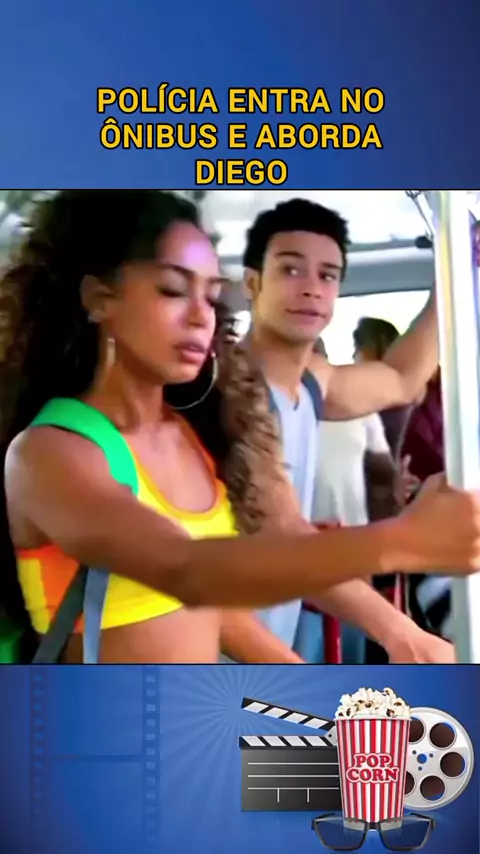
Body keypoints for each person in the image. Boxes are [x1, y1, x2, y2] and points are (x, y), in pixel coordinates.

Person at [1, 191, 479, 666]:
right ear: (98, 298)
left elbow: (206, 606)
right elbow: (188, 571)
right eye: (172, 290)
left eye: (211, 297)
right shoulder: (49, 452)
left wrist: (314, 686)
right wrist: (402, 541)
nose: (200, 316)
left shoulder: (199, 429)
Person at [240, 198, 468, 664]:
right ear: (252, 282)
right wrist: (402, 631)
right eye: (290, 270)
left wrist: (454, 277)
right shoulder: (234, 392)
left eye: (327, 275)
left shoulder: (312, 382)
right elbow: (284, 536)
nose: (311, 288)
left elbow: (402, 379)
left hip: (271, 631)